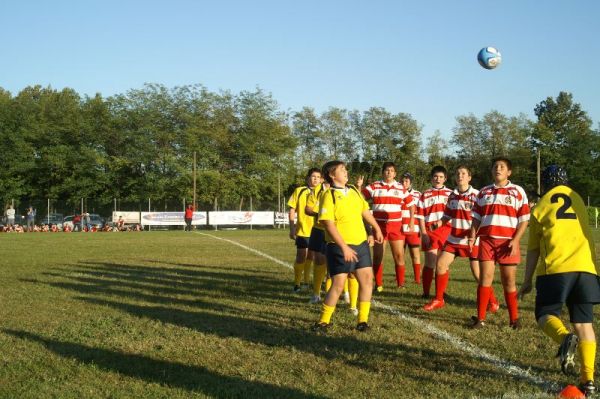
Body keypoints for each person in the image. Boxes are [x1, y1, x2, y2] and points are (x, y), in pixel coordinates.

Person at [518, 165, 599, 396]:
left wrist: (526, 281)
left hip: (556, 269)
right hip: (586, 269)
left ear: (545, 183)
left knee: (545, 315)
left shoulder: (541, 206)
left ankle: (564, 339)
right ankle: (588, 380)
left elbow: (533, 250)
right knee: (584, 325)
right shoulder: (579, 200)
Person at [312, 160, 383, 332]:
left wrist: (376, 228)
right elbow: (328, 224)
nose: (346, 171)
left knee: (367, 281)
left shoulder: (354, 191)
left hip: (360, 244)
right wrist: (344, 247)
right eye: (341, 169)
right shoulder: (328, 196)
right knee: (338, 284)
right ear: (332, 174)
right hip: (338, 246)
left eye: (345, 169)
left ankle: (362, 321)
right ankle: (323, 321)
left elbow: (365, 212)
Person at [423, 166, 499, 312]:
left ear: (469, 177)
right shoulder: (452, 195)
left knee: (479, 274)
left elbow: (484, 217)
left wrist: (474, 233)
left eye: (463, 173)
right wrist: (438, 223)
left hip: (472, 240)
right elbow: (447, 216)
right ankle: (439, 299)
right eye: (457, 173)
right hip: (454, 239)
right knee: (440, 265)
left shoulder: (478, 195)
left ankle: (493, 301)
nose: (460, 176)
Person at [469, 157, 529, 329]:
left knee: (508, 280)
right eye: (495, 166)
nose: (498, 169)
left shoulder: (517, 191)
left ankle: (514, 319)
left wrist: (516, 240)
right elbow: (476, 218)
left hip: (508, 243)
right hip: (487, 241)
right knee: (485, 279)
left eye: (502, 166)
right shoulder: (484, 192)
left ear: (509, 172)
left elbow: (524, 220)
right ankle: (480, 319)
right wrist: (472, 236)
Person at [357, 162, 416, 291]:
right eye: (386, 170)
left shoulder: (401, 188)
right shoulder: (374, 186)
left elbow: (411, 204)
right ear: (383, 172)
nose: (389, 173)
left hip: (396, 226)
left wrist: (411, 221)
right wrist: (359, 187)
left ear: (395, 174)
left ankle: (400, 284)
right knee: (378, 255)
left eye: (391, 171)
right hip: (379, 227)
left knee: (399, 255)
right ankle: (378, 284)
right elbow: (360, 199)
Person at [418, 166, 453, 298]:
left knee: (443, 264)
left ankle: (441, 292)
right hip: (430, 232)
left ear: (445, 179)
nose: (438, 179)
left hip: (447, 231)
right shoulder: (425, 194)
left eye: (441, 177)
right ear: (431, 178)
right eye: (435, 177)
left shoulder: (451, 193)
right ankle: (426, 293)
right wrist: (424, 234)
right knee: (430, 263)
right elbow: (420, 216)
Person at [287, 168, 321, 293]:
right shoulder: (299, 191)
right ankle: (297, 284)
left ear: (321, 179)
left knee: (311, 257)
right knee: (301, 256)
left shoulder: (324, 192)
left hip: (318, 230)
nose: (316, 179)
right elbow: (291, 209)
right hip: (302, 230)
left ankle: (306, 282)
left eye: (318, 176)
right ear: (308, 178)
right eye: (313, 176)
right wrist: (292, 228)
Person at [401, 172, 423, 284]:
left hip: (413, 229)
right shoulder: (398, 192)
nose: (404, 183)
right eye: (402, 181)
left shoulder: (418, 194)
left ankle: (417, 279)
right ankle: (400, 278)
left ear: (411, 182)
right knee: (400, 254)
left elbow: (420, 211)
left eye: (406, 181)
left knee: (415, 254)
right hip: (399, 228)